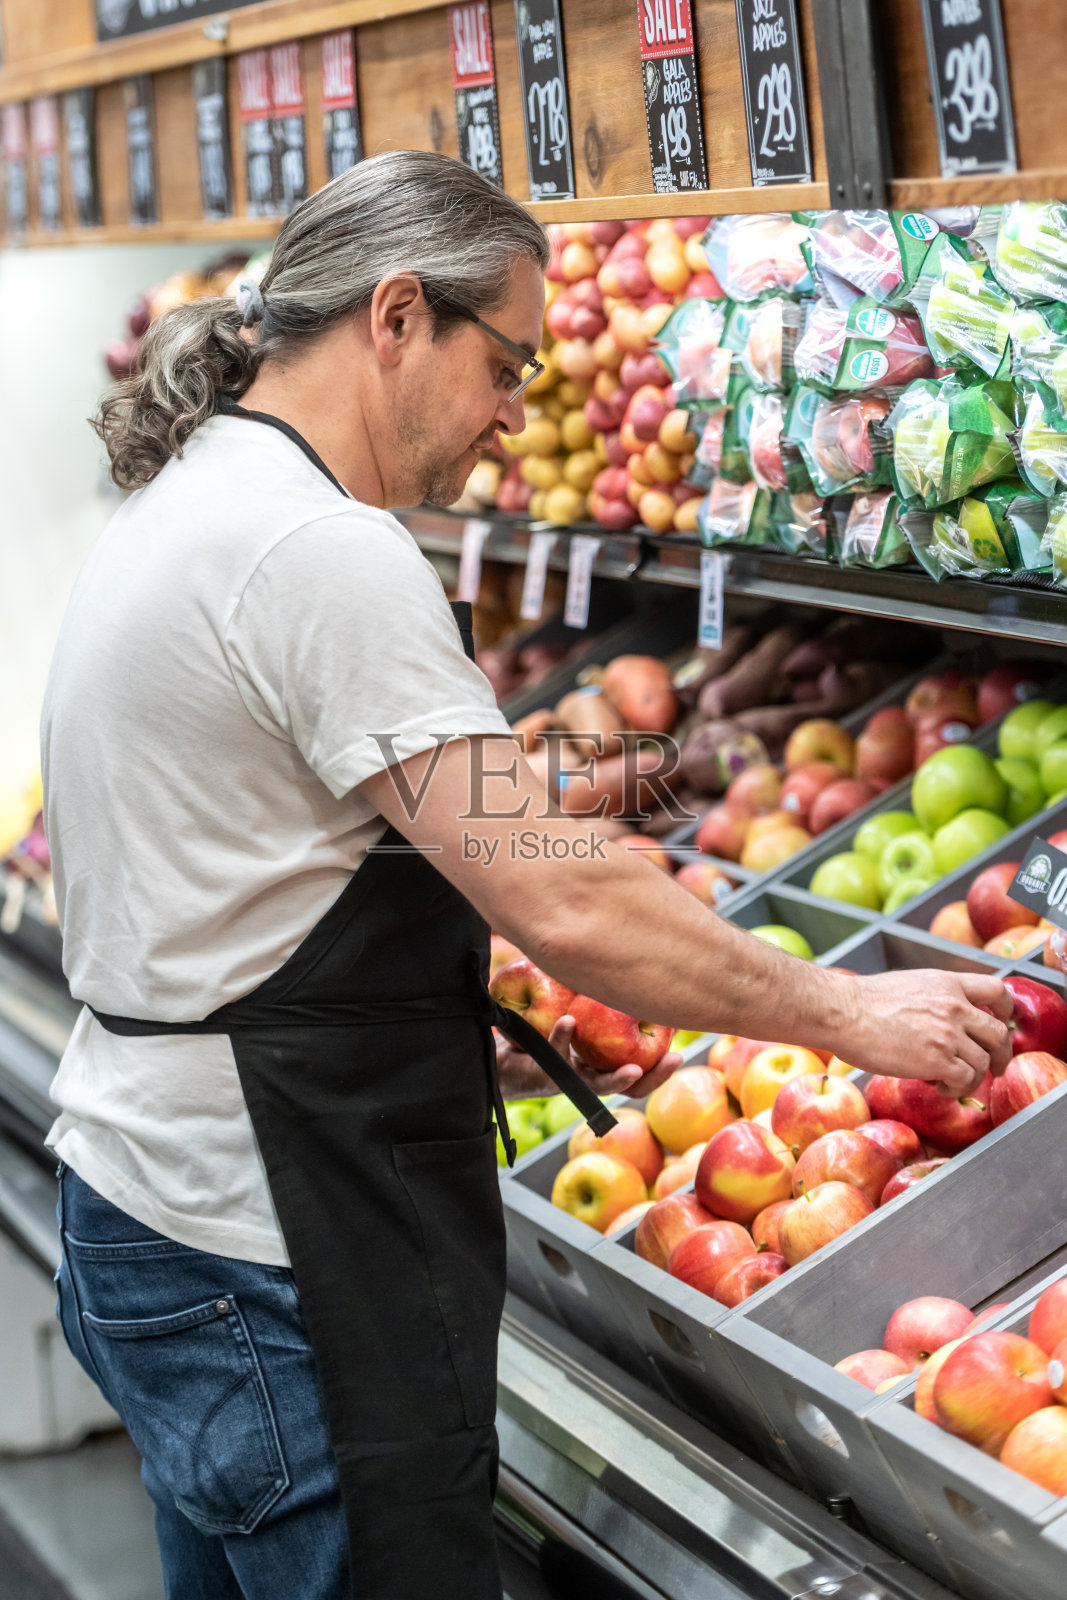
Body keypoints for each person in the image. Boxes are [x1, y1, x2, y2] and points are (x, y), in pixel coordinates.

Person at [40, 150, 1012, 1600]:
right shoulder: (317, 551)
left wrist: (435, 1030)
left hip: (164, 1207)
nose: (512, 412)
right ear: (396, 318)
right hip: (273, 1248)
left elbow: (256, 881)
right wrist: (855, 1015)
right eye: (506, 364)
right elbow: (561, 890)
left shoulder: (200, 500)